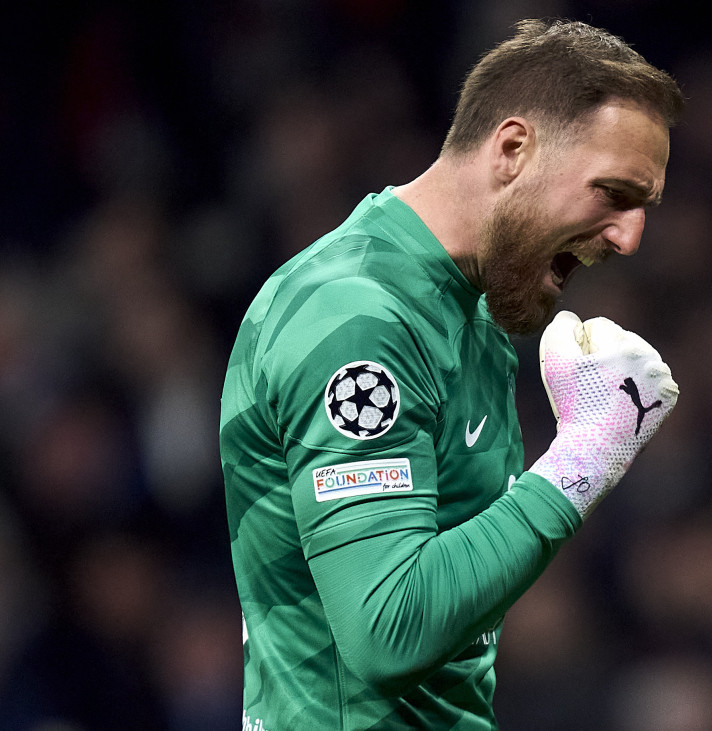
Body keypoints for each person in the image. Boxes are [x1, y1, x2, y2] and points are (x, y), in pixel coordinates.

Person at [220, 19, 683, 730]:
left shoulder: (472, 311)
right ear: (513, 148)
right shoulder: (357, 318)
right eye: (613, 193)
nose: (628, 236)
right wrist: (586, 454)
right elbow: (388, 627)